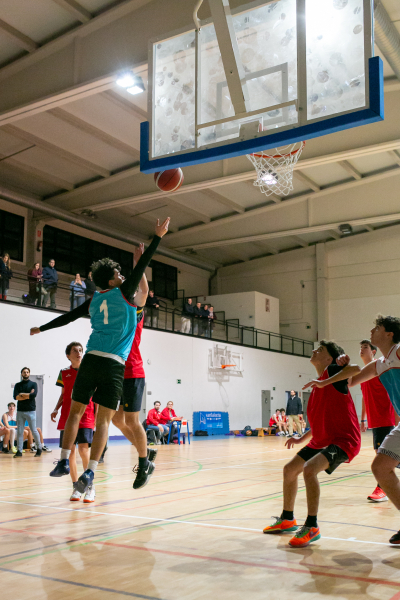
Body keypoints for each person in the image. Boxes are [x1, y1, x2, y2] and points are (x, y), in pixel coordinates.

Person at [30, 217, 170, 495]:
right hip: (115, 365)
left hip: (101, 360)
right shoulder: (125, 294)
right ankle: (99, 466)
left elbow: (69, 316)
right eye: (118, 273)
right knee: (108, 420)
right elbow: (141, 275)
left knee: (83, 413)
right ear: (112, 280)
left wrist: (42, 328)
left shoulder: (100, 300)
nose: (122, 275)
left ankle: (66, 459)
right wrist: (156, 239)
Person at [263, 340, 361, 548]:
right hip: (322, 440)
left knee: (309, 469)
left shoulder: (332, 372)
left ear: (329, 358)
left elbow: (355, 369)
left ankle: (312, 526)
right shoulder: (318, 385)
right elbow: (319, 423)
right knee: (290, 470)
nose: (314, 351)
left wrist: (332, 375)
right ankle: (287, 518)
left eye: (320, 350)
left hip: (344, 440)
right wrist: (301, 439)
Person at [340, 315, 400, 545]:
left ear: (389, 334)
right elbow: (350, 382)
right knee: (380, 467)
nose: (372, 331)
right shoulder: (379, 364)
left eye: (377, 328)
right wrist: (341, 367)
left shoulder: (399, 352)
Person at [111, 243, 157, 489]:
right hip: (117, 372)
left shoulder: (135, 308)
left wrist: (140, 262)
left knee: (131, 420)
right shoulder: (114, 310)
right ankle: (146, 452)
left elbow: (144, 289)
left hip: (133, 371)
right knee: (117, 420)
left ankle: (144, 463)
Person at [51, 341, 97, 502]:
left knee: (84, 450)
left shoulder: (90, 371)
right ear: (68, 355)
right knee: (70, 452)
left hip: (86, 415)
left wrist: (97, 416)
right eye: (75, 351)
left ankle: (90, 487)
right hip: (67, 417)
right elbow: (63, 394)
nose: (78, 353)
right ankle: (76, 487)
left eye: (80, 350)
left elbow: (96, 396)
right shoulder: (63, 373)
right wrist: (56, 409)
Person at [358, 338, 397, 503]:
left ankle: (382, 489)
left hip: (386, 418)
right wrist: (363, 419)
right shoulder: (363, 373)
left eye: (365, 347)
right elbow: (364, 397)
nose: (361, 349)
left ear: (373, 351)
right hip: (375, 420)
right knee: (383, 455)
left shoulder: (379, 368)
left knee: (382, 457)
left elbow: (393, 391)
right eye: (360, 347)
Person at [13, 367, 43, 458]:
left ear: (29, 373)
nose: (25, 373)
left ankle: (39, 448)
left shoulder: (33, 384)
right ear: (21, 374)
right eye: (24, 372)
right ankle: (19, 451)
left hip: (31, 410)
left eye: (27, 372)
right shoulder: (18, 385)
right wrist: (28, 395)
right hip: (20, 411)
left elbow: (33, 395)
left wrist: (22, 394)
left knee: (34, 430)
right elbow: (15, 397)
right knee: (20, 431)